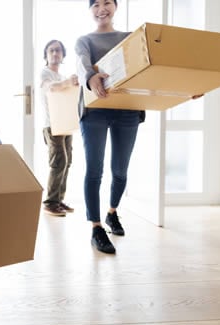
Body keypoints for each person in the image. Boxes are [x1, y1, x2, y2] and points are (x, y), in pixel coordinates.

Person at [75, 0, 145, 254]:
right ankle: (96, 228)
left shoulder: (130, 37)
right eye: (95, 4)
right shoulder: (84, 41)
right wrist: (91, 77)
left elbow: (147, 67)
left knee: (120, 171)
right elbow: (83, 63)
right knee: (94, 170)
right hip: (95, 111)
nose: (101, 8)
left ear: (116, 6)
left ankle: (112, 213)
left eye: (107, 2)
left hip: (127, 110)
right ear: (90, 10)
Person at [39, 40, 79, 217]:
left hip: (65, 124)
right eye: (52, 50)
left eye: (59, 51)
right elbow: (51, 88)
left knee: (67, 162)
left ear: (63, 55)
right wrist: (68, 83)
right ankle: (50, 202)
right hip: (52, 125)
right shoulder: (45, 73)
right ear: (46, 55)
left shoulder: (62, 77)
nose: (55, 54)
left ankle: (58, 200)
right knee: (58, 162)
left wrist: (72, 83)